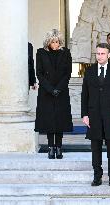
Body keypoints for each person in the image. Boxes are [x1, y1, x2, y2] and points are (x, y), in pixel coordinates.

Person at [81, 43, 110, 186]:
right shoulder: (89, 71)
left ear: (109, 55)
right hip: (93, 115)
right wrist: (84, 114)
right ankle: (97, 176)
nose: (99, 56)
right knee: (95, 148)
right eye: (97, 53)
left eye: (102, 54)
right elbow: (84, 95)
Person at [35, 29, 73, 159]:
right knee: (49, 120)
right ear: (48, 42)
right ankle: (51, 147)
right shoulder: (41, 53)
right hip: (46, 92)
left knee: (60, 119)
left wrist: (59, 88)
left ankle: (59, 147)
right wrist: (51, 89)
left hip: (61, 91)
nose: (56, 44)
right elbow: (39, 73)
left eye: (57, 42)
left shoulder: (66, 53)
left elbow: (68, 73)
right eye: (53, 42)